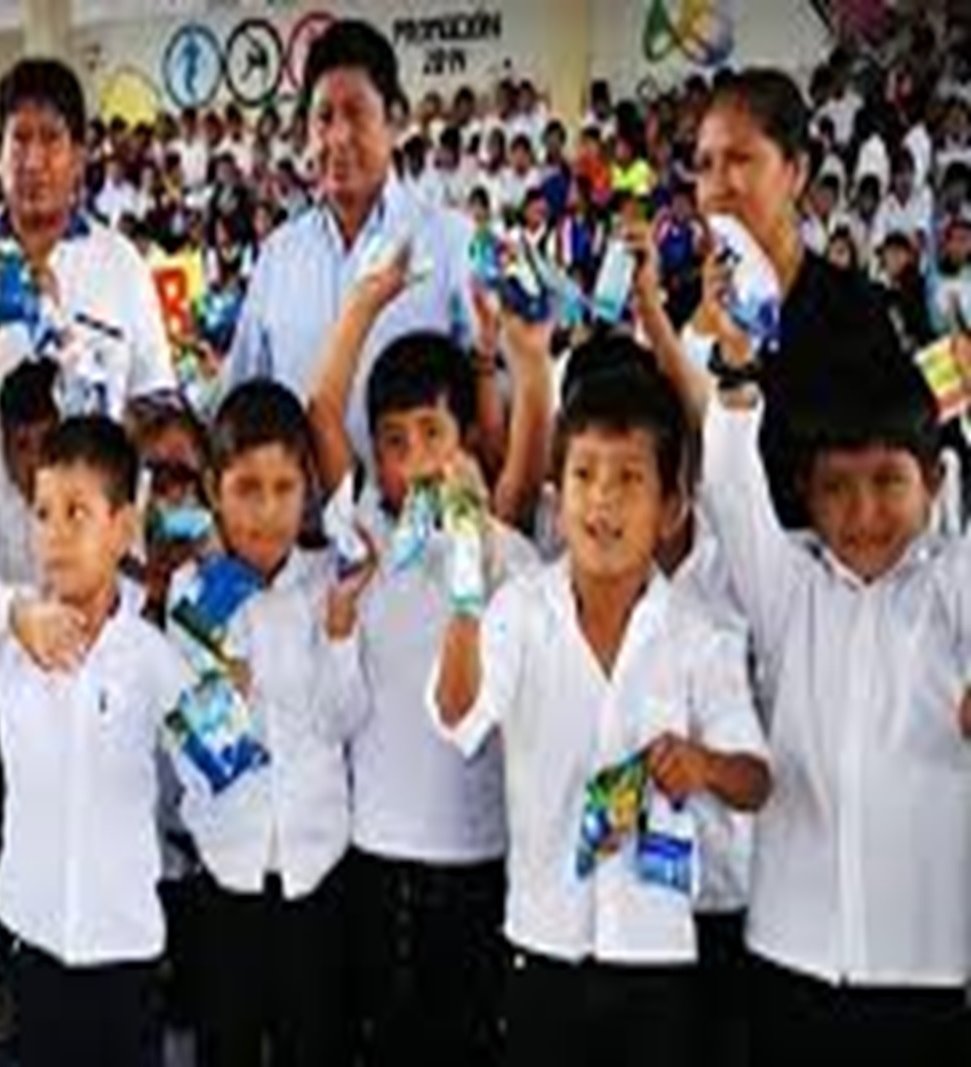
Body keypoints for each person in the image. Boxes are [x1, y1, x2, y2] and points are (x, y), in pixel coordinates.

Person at [433, 357, 772, 1067]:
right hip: (541, 951)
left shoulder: (701, 634)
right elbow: (460, 717)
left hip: (659, 957)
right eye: (584, 475)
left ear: (672, 507)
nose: (602, 501)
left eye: (629, 479)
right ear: (557, 498)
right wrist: (465, 590)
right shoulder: (519, 610)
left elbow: (756, 779)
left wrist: (703, 765)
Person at [701, 317, 971, 1064]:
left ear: (935, 482)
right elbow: (731, 492)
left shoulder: (951, 589)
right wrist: (736, 374)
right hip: (790, 956)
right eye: (836, 488)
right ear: (805, 495)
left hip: (930, 962)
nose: (863, 513)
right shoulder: (790, 589)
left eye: (888, 481)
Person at [307, 251, 550, 1067]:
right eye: (393, 441)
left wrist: (523, 359)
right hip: (372, 855)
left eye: (432, 435)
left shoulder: (510, 554)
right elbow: (321, 409)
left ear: (468, 438)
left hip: (477, 859)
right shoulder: (365, 538)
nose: (413, 461)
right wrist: (363, 305)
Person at [0, 416, 194, 1067]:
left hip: (125, 953)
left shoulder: (153, 656)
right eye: (43, 513)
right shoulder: (12, 634)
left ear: (122, 527)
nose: (57, 533)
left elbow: (218, 771)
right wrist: (13, 615)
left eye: (78, 512)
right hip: (32, 943)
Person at [164, 381, 372, 1067]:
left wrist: (339, 635)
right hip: (228, 877)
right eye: (246, 488)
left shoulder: (325, 583)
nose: (267, 511)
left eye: (285, 488)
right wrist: (222, 696)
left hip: (319, 875)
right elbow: (195, 756)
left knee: (318, 1044)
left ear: (308, 490)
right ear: (214, 490)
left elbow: (343, 720)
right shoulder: (195, 594)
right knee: (225, 1045)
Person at [225, 19, 474, 459]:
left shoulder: (450, 243)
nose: (338, 137)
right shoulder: (278, 257)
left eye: (356, 113)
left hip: (417, 503)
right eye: (324, 118)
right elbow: (243, 400)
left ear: (394, 121)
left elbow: (484, 408)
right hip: (301, 504)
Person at [692, 68, 904, 527]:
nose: (717, 186)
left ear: (796, 171)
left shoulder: (856, 312)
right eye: (704, 165)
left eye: (740, 159)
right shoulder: (678, 308)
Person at [0, 58, 175, 432]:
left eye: (51, 139)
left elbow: (154, 401)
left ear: (79, 157)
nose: (33, 162)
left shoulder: (122, 264)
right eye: (20, 139)